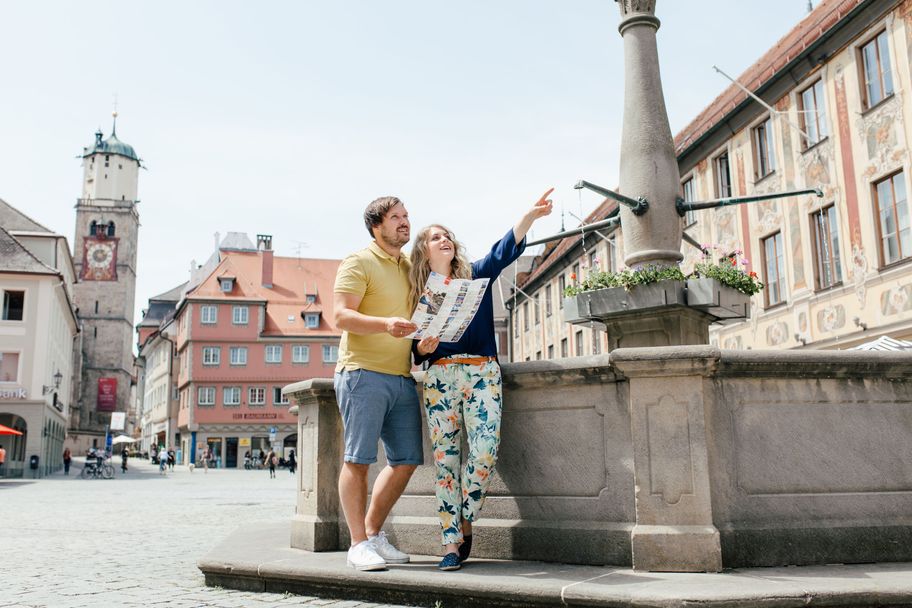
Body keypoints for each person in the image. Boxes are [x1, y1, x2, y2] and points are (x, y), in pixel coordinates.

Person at [409, 188, 553, 570]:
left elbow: (506, 248)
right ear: (424, 251)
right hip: (439, 377)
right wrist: (423, 348)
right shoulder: (416, 294)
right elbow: (412, 352)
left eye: (447, 235)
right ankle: (451, 544)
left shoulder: (476, 274)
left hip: (482, 372)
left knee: (485, 450)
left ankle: (466, 518)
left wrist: (530, 216)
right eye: (435, 237)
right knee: (446, 462)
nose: (445, 239)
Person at [332, 195, 424, 572]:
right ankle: (357, 544)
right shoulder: (358, 261)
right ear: (376, 225)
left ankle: (371, 534)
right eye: (395, 217)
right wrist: (384, 323)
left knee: (406, 459)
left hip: (401, 376)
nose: (405, 222)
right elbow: (340, 315)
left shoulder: (409, 267)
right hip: (362, 373)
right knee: (358, 460)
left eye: (406, 216)